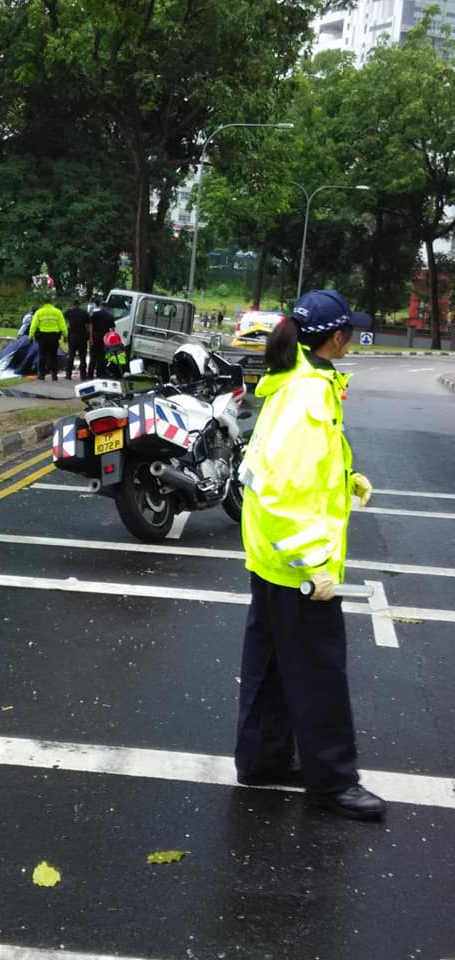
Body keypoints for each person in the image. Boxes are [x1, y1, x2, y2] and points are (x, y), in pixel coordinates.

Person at [234, 289, 385, 822]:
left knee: (271, 669)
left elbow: (290, 473)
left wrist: (347, 482)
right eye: (352, 333)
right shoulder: (309, 397)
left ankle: (261, 759)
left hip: (271, 560)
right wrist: (314, 566)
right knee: (319, 674)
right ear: (337, 338)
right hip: (298, 568)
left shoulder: (296, 383)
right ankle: (333, 783)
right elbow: (282, 490)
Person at [29, 299, 67, 380]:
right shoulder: (57, 312)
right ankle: (54, 375)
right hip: (54, 336)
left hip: (43, 337)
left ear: (43, 303)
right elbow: (62, 325)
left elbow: (34, 325)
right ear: (51, 303)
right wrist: (65, 335)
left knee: (43, 356)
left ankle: (42, 374)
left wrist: (30, 336)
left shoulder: (39, 312)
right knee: (54, 356)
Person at [88, 299, 116, 378]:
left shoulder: (95, 314)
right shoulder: (110, 316)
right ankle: (99, 373)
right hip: (105, 338)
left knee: (93, 356)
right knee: (102, 356)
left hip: (95, 336)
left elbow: (91, 326)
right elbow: (112, 330)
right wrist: (111, 341)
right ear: (106, 307)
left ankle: (90, 374)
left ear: (100, 306)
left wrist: (90, 338)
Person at [64, 298, 90, 380]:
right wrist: (89, 335)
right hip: (82, 336)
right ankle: (83, 375)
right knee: (82, 356)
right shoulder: (84, 312)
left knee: (71, 355)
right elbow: (89, 324)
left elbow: (64, 320)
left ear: (73, 304)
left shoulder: (69, 312)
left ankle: (68, 375)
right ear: (79, 304)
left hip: (72, 336)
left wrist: (65, 333)